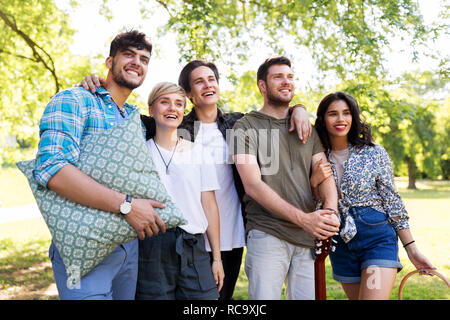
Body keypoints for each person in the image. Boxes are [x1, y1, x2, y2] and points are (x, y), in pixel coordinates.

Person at [79, 59, 313, 300]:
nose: (207, 85)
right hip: (186, 232)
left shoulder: (238, 124)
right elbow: (123, 114)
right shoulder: (173, 123)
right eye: (199, 82)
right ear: (189, 94)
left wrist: (299, 108)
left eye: (211, 79)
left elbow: (273, 114)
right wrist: (97, 85)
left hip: (230, 233)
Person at [34, 30, 166, 300]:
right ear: (109, 61)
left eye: (144, 59)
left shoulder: (134, 121)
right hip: (83, 246)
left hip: (128, 248)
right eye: (128, 55)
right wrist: (126, 205)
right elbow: (53, 168)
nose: (137, 62)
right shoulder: (75, 100)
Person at [230, 56, 340, 300]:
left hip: (308, 237)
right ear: (262, 86)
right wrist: (304, 219)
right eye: (278, 77)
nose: (286, 81)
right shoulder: (244, 127)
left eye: (290, 77)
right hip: (268, 232)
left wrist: (330, 213)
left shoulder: (306, 127)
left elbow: (325, 174)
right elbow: (253, 185)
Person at [311, 91, 435, 300]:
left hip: (376, 238)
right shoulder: (315, 156)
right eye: (333, 114)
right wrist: (313, 181)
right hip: (340, 243)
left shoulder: (374, 152)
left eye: (346, 113)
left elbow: (392, 202)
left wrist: (411, 249)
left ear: (354, 117)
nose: (341, 119)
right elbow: (314, 205)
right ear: (323, 119)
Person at [135, 82, 224, 299]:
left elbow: (209, 205)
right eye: (164, 102)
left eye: (178, 104)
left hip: (193, 246)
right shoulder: (139, 152)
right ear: (151, 110)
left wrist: (217, 258)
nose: (171, 108)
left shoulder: (199, 152)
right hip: (152, 247)